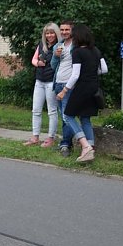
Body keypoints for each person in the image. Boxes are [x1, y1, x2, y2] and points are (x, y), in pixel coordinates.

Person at [56, 24, 108, 163]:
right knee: (85, 118)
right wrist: (91, 72)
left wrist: (64, 91)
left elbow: (75, 75)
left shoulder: (77, 52)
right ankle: (90, 148)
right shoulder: (96, 50)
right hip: (94, 88)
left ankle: (85, 146)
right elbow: (104, 69)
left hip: (82, 88)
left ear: (78, 36)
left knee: (68, 115)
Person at [24, 23, 60, 147]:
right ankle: (35, 137)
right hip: (39, 81)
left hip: (51, 82)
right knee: (36, 110)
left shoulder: (59, 47)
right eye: (47, 33)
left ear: (56, 33)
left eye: (52, 32)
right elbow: (33, 59)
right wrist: (38, 63)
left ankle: (51, 138)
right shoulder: (42, 45)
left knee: (52, 111)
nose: (49, 35)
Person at [51, 20, 76, 157]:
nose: (64, 32)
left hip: (69, 84)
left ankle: (66, 144)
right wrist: (56, 56)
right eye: (62, 30)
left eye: (67, 30)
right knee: (64, 116)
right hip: (58, 83)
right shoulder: (58, 46)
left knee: (68, 116)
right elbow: (53, 66)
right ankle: (67, 142)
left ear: (72, 31)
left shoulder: (76, 46)